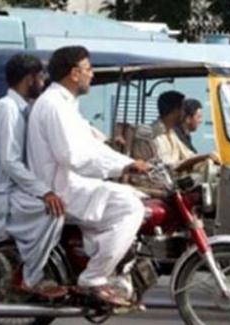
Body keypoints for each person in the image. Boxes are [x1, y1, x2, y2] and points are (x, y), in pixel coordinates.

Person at [27, 46, 149, 306]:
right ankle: (94, 278)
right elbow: (74, 156)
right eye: (89, 69)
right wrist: (124, 166)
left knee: (134, 195)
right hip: (61, 189)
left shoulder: (65, 105)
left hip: (69, 183)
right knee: (130, 207)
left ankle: (111, 266)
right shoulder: (54, 106)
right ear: (74, 73)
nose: (92, 75)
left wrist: (124, 161)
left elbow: (92, 143)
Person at [0, 54, 67, 299]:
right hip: (2, 195)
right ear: (30, 79)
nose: (43, 82)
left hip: (12, 192)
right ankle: (32, 276)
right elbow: (9, 161)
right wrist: (44, 192)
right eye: (40, 77)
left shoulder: (20, 109)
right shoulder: (8, 110)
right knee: (56, 211)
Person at [145, 91, 218, 172]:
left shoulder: (171, 133)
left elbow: (188, 155)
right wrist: (203, 158)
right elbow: (167, 167)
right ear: (175, 111)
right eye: (182, 109)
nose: (184, 113)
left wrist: (210, 157)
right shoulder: (154, 135)